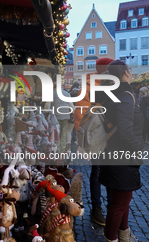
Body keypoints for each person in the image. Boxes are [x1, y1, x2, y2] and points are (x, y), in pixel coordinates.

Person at [96, 60, 143, 242]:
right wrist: (139, 148)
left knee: (120, 202)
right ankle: (112, 238)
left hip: (112, 154)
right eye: (130, 70)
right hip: (123, 157)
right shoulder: (125, 96)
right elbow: (125, 130)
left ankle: (124, 235)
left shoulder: (109, 93)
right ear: (125, 73)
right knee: (119, 204)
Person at [74, 57, 114, 226]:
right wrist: (87, 135)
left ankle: (110, 208)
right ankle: (98, 208)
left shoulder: (97, 84)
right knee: (98, 171)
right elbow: (81, 113)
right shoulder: (91, 85)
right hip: (99, 136)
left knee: (107, 172)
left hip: (111, 136)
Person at [45, 83, 74, 154]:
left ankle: (57, 149)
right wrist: (70, 112)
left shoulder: (51, 94)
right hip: (65, 117)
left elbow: (47, 108)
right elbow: (72, 107)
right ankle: (62, 149)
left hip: (55, 117)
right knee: (63, 133)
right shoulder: (67, 94)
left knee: (56, 134)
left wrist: (49, 112)